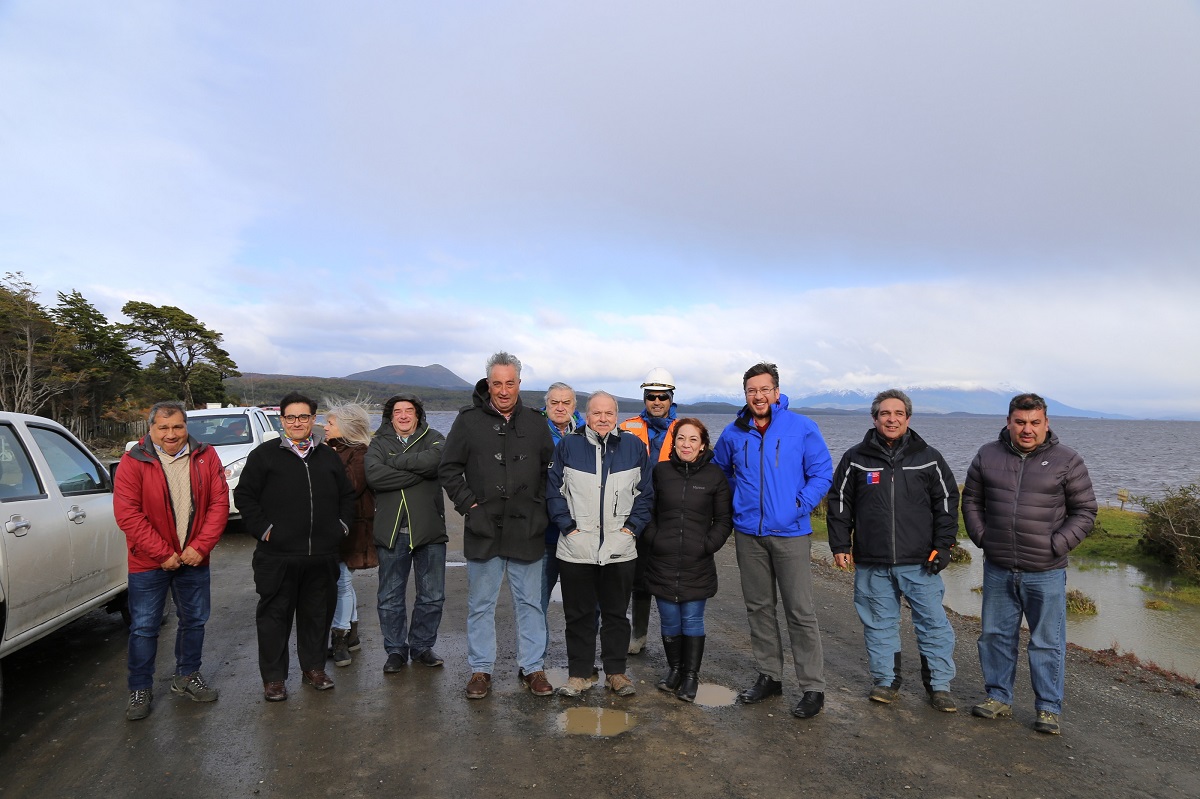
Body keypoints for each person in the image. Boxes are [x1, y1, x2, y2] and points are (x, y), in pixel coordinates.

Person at [963, 393, 1097, 735]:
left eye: (1035, 422)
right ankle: (998, 698)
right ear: (1009, 422)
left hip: (1046, 571)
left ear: (1046, 423)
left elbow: (1085, 511)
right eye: (1020, 422)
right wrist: (982, 537)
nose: (1027, 429)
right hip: (998, 567)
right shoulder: (987, 455)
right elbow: (972, 500)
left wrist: (1057, 545)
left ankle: (1048, 708)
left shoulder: (1068, 460)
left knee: (1047, 642)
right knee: (994, 636)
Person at [826, 389, 960, 712]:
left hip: (921, 562)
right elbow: (839, 503)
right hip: (872, 562)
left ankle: (939, 686)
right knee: (879, 623)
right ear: (874, 418)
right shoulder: (855, 458)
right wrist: (840, 544)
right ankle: (886, 681)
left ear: (908, 419)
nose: (892, 419)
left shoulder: (929, 457)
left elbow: (947, 503)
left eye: (898, 413)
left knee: (933, 624)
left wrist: (944, 546)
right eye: (885, 413)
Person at [713, 362, 833, 719]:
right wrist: (739, 501)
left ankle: (813, 687)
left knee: (800, 611)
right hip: (749, 534)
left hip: (791, 533)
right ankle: (769, 676)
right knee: (759, 607)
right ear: (745, 394)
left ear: (776, 393)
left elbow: (822, 472)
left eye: (765, 389)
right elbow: (720, 470)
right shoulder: (735, 432)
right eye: (752, 390)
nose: (759, 396)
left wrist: (799, 505)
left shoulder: (801, 427)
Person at [438, 352, 556, 700]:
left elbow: (551, 471)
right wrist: (471, 506)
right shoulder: (469, 421)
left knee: (531, 603)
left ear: (519, 383)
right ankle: (481, 670)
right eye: (496, 384)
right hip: (484, 528)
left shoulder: (536, 422)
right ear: (487, 384)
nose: (503, 390)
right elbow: (448, 468)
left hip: (527, 529)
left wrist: (539, 508)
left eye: (510, 383)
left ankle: (533, 667)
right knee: (480, 605)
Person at [235, 392, 355, 702]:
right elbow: (245, 497)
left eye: (304, 417)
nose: (297, 422)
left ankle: (314, 668)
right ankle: (274, 679)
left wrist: (341, 527)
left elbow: (346, 496)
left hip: (322, 554)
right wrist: (266, 531)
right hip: (277, 556)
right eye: (291, 417)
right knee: (274, 618)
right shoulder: (264, 456)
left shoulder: (327, 456)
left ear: (313, 419)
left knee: (317, 615)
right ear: (282, 420)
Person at [114, 401, 229, 721]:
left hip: (194, 558)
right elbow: (127, 514)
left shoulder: (206, 456)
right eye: (163, 428)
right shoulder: (133, 461)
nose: (171, 434)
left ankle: (187, 675)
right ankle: (140, 688)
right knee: (144, 627)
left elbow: (219, 504)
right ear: (150, 429)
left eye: (177, 426)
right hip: (149, 562)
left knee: (194, 620)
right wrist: (161, 553)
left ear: (185, 427)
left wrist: (201, 547)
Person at [547, 391, 654, 698]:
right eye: (597, 413)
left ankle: (616, 674)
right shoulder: (569, 446)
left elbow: (645, 494)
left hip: (620, 549)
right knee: (578, 615)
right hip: (576, 549)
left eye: (609, 413)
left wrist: (631, 530)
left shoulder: (633, 447)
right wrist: (568, 528)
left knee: (616, 614)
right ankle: (580, 675)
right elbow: (554, 491)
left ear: (617, 415)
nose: (603, 418)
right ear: (587, 415)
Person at [642, 418, 732, 702]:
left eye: (693, 439)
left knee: (692, 620)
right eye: (681, 438)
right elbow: (647, 510)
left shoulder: (715, 476)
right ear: (674, 442)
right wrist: (654, 539)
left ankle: (691, 677)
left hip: (697, 562)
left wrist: (708, 545)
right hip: (663, 559)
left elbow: (723, 520)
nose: (686, 444)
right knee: (669, 621)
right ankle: (675, 670)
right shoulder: (660, 472)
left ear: (703, 444)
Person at [365, 393, 448, 673]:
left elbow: (436, 462)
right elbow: (374, 476)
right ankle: (396, 650)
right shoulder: (378, 442)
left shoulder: (435, 437)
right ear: (390, 416)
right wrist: (418, 471)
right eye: (397, 411)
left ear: (417, 414)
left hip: (429, 530)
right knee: (390, 596)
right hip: (392, 531)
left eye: (409, 411)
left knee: (432, 595)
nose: (403, 415)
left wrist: (395, 462)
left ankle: (422, 646)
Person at [619, 367, 679, 654]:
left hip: (671, 514)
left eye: (662, 396)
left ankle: (674, 641)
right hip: (638, 512)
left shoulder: (685, 430)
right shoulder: (627, 427)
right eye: (651, 396)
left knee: (670, 580)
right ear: (644, 397)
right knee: (639, 579)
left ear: (671, 398)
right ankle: (638, 635)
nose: (656, 402)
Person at [323, 402, 377, 668]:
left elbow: (351, 486)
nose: (324, 427)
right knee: (343, 582)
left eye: (330, 423)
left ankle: (340, 638)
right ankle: (351, 635)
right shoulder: (336, 451)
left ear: (345, 426)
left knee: (341, 582)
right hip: (340, 527)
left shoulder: (360, 453)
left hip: (352, 528)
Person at [538, 382, 586, 647]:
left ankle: (582, 660)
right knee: (537, 602)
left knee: (582, 602)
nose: (560, 407)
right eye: (554, 402)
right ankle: (535, 663)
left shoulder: (586, 434)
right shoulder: (533, 432)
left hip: (578, 533)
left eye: (565, 403)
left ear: (574, 406)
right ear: (546, 406)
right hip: (544, 533)